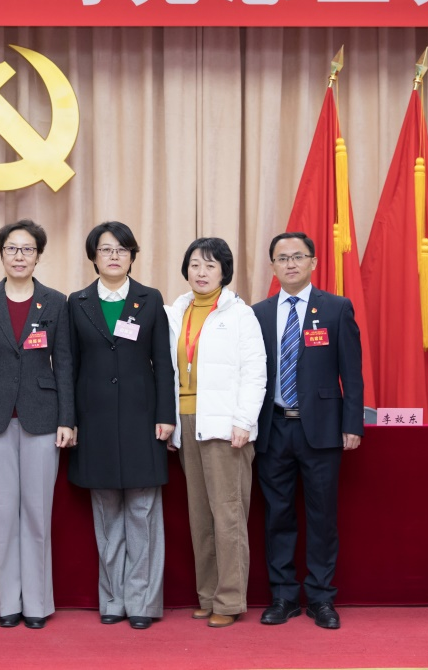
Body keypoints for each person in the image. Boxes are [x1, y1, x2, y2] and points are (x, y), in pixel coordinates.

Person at [0, 219, 74, 629]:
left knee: (37, 513)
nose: (19, 256)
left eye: (28, 249)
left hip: (43, 418)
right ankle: (7, 602)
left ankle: (38, 605)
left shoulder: (55, 301)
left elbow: (64, 363)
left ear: (38, 255)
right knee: (3, 514)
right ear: (1, 253)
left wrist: (68, 419)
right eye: (12, 248)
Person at [67, 222, 175, 630]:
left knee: (143, 513)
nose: (114, 256)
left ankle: (143, 602)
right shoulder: (77, 302)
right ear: (93, 256)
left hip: (142, 420)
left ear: (132, 256)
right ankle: (113, 599)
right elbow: (69, 367)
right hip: (93, 422)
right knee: (107, 515)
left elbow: (162, 362)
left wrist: (165, 415)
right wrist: (70, 420)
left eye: (122, 249)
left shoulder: (150, 299)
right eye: (105, 249)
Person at [253, 232, 363, 630]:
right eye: (282, 258)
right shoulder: (258, 314)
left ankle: (320, 597)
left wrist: (352, 423)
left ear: (313, 262)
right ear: (273, 266)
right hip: (273, 429)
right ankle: (283, 596)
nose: (291, 264)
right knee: (277, 515)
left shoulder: (336, 308)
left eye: (298, 256)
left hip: (322, 430)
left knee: (322, 516)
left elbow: (352, 372)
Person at [165, 237, 267, 628]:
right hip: (188, 423)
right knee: (200, 517)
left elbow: (255, 373)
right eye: (194, 264)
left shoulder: (240, 315)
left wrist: (244, 421)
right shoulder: (177, 311)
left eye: (210, 265)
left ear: (224, 271)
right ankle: (207, 596)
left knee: (228, 516)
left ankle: (230, 599)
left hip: (226, 427)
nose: (201, 272)